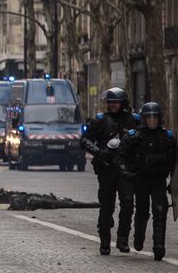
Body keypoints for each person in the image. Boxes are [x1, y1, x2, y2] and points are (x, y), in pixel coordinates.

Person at [81, 87, 139, 255]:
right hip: (107, 168)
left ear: (123, 103)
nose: (112, 105)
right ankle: (105, 241)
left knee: (128, 204)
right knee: (107, 206)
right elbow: (84, 140)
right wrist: (100, 153)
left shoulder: (134, 120)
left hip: (126, 169)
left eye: (116, 102)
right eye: (110, 102)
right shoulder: (100, 120)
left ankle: (122, 239)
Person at [116, 102, 177, 261]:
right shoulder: (133, 136)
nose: (151, 121)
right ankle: (138, 237)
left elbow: (174, 163)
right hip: (140, 180)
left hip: (158, 180)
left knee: (160, 209)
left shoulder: (168, 137)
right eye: (148, 118)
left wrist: (173, 183)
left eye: (154, 118)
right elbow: (120, 156)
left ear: (159, 119)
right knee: (142, 210)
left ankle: (159, 245)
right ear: (143, 119)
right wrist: (125, 172)